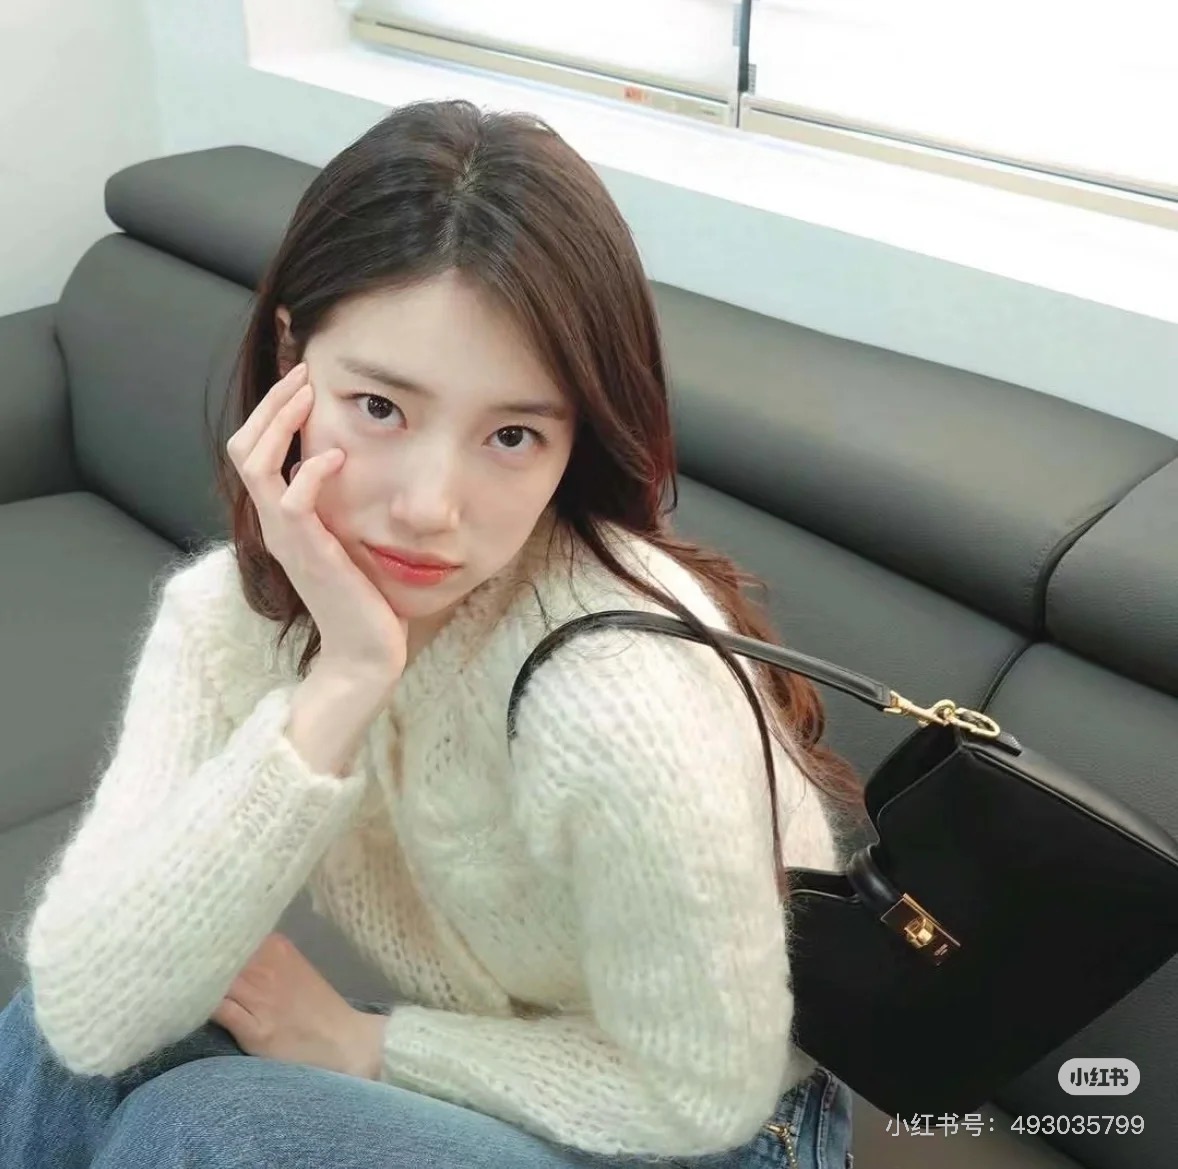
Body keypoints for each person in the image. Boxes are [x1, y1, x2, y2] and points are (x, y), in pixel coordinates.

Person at [0, 99, 862, 1169]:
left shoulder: (622, 694)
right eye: (380, 406)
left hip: (718, 1126)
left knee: (209, 1130)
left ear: (575, 439)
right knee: (83, 1024)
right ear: (290, 358)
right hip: (516, 1061)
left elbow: (702, 1092)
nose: (428, 507)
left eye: (512, 433)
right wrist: (345, 679)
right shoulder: (222, 620)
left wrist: (369, 1045)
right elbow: (82, 1016)